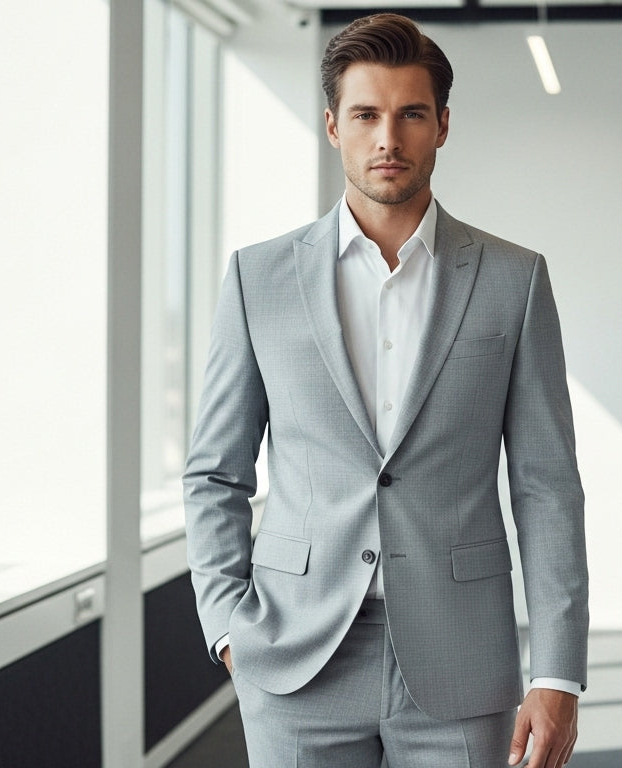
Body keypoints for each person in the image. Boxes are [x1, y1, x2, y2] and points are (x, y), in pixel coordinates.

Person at [183, 13, 588, 768]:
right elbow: (215, 471)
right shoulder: (257, 278)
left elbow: (547, 486)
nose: (388, 139)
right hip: (296, 655)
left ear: (442, 125)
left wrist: (558, 671)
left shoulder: (513, 280)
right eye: (367, 114)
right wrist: (228, 628)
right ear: (334, 125)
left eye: (410, 115)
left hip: (462, 656)